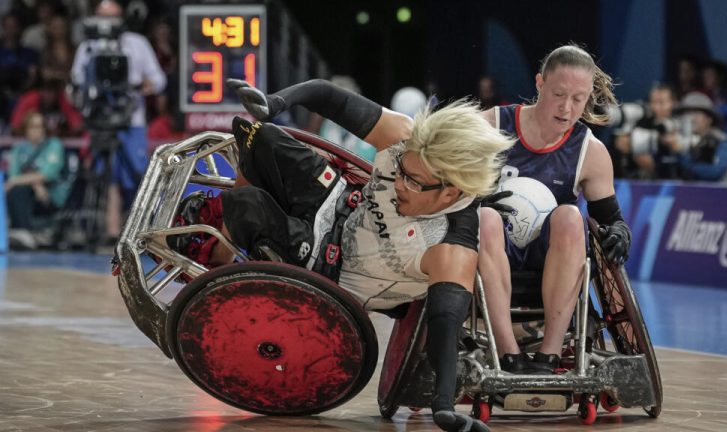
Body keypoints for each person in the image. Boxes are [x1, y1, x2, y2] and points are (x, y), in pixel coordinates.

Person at [170, 78, 511, 432]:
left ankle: (216, 261)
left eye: (411, 180)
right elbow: (327, 95)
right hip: (336, 202)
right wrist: (275, 102)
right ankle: (223, 240)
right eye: (402, 170)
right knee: (261, 136)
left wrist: (443, 407)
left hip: (329, 269)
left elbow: (444, 329)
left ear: (450, 192)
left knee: (245, 205)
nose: (398, 182)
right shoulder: (404, 137)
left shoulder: (450, 248)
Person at [477, 45, 631, 374]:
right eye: (559, 94)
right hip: (491, 246)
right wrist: (473, 200)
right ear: (539, 83)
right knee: (485, 218)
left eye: (578, 98)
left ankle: (549, 354)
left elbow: (611, 221)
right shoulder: (489, 126)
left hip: (551, 255)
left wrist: (619, 233)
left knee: (571, 217)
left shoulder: (591, 152)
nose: (566, 107)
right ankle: (508, 353)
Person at [70, 0, 166, 243]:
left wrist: (142, 86)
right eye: (103, 17)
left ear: (121, 18)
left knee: (136, 174)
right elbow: (76, 79)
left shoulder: (137, 43)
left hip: (131, 119)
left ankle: (143, 231)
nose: (108, 24)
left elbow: (159, 79)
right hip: (101, 118)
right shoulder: (88, 46)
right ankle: (110, 233)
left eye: (113, 18)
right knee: (106, 176)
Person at [5, 111, 70, 250]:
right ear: (25, 129)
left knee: (18, 187)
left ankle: (24, 232)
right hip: (29, 194)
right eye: (33, 127)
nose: (37, 130)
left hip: (49, 196)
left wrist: (33, 181)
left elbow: (48, 174)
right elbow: (12, 177)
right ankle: (20, 232)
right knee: (16, 190)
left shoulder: (53, 145)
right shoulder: (18, 149)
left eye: (40, 126)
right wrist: (34, 183)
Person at [674, 91, 727, 182]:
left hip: (722, 194)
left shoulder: (722, 141)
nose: (691, 118)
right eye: (687, 113)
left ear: (709, 119)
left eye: (696, 113)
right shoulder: (680, 139)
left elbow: (715, 172)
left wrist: (683, 155)